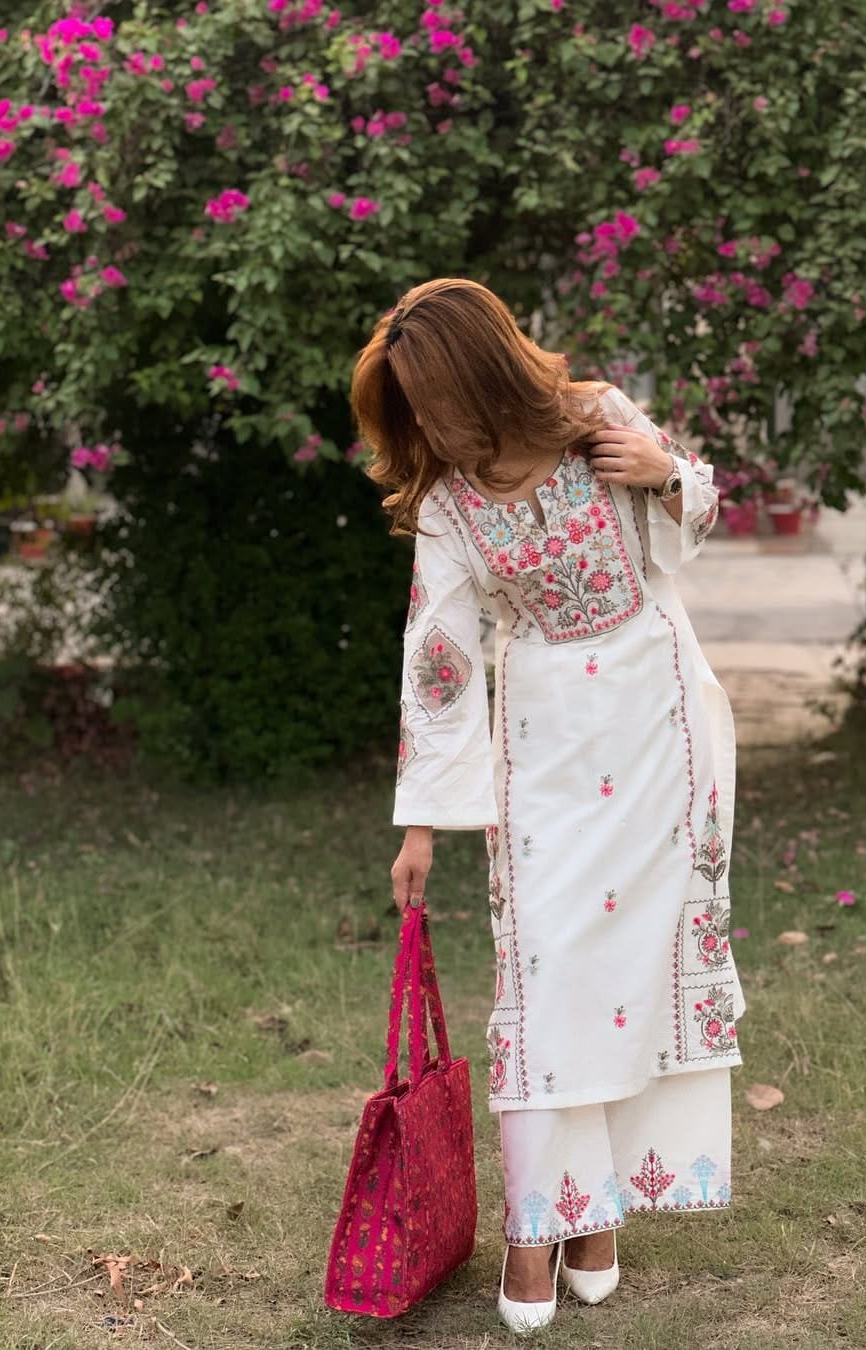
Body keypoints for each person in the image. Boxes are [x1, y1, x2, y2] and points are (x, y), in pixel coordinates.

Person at [350, 277, 746, 1333]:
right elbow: (438, 658)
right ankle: (541, 1222)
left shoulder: (599, 419)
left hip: (657, 723)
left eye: (439, 402)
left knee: (634, 968)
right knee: (549, 970)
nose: (433, 427)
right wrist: (422, 822)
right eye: (415, 411)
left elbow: (698, 518)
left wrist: (666, 474)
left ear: (486, 373)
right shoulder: (448, 504)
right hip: (546, 740)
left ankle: (593, 1210)